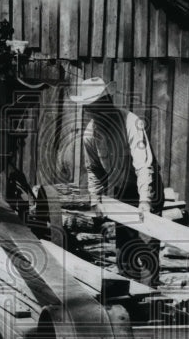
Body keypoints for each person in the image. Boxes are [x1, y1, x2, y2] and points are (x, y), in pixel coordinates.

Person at [69, 77, 165, 285]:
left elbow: (143, 165)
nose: (96, 112)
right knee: (124, 247)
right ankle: (128, 294)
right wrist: (96, 201)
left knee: (147, 244)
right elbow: (94, 169)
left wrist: (145, 203)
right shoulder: (90, 135)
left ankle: (150, 292)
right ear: (87, 110)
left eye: (100, 106)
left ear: (109, 101)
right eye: (91, 109)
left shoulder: (131, 122)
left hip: (148, 187)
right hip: (122, 189)